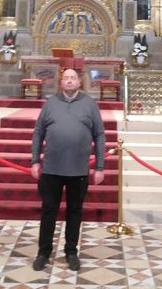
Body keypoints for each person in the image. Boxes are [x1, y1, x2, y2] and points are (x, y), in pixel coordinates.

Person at [31, 68, 105, 272]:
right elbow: (38, 132)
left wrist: (99, 166)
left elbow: (99, 135)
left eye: (73, 78)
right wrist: (35, 161)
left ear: (79, 82)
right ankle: (43, 252)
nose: (70, 81)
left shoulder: (89, 105)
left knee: (75, 211)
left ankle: (71, 252)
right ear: (61, 82)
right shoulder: (51, 103)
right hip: (51, 169)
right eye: (66, 78)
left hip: (79, 170)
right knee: (48, 211)